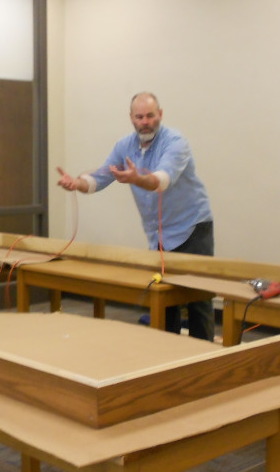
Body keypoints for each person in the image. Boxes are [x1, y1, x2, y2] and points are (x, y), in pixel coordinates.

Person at [57, 92, 215, 341]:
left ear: (160, 114)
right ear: (131, 118)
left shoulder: (175, 142)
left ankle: (205, 357)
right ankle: (168, 355)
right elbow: (99, 178)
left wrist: (137, 178)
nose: (145, 122)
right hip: (159, 235)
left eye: (150, 116)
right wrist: (76, 183)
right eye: (139, 117)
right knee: (165, 299)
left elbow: (161, 181)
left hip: (192, 228)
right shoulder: (124, 146)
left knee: (198, 299)